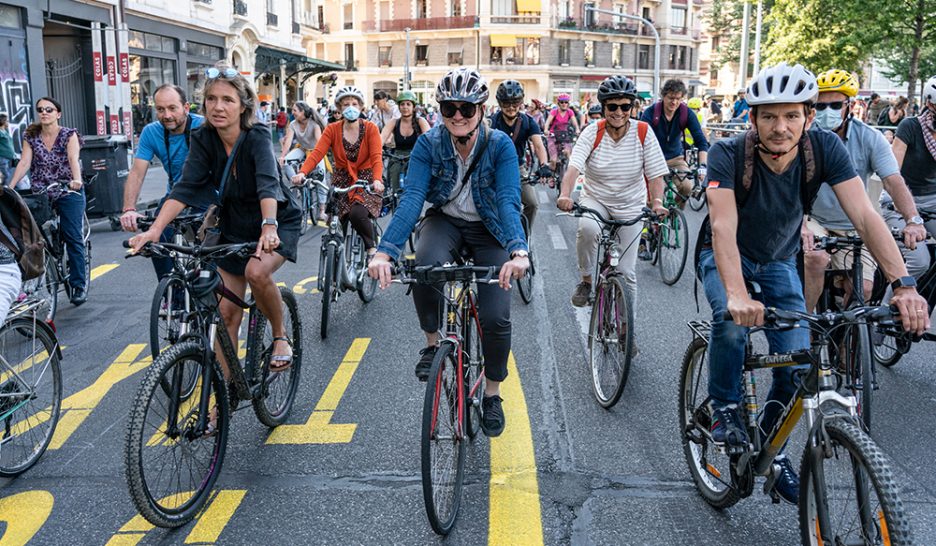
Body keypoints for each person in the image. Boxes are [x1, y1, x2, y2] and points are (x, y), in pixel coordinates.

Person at [699, 62, 928, 505]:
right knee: (730, 320)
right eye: (768, 116)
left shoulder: (823, 149)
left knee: (798, 366)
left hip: (781, 257)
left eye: (791, 115)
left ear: (807, 115)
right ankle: (724, 408)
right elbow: (722, 226)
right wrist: (736, 293)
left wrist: (902, 284)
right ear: (752, 119)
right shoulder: (728, 153)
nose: (779, 127)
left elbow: (865, 215)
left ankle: (769, 451)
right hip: (727, 255)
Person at [130, 65, 302, 411]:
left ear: (243, 105)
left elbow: (267, 183)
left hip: (276, 220)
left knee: (256, 273)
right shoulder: (204, 138)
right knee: (225, 315)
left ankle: (281, 336)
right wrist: (155, 230)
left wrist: (269, 226)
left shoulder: (256, 136)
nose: (218, 106)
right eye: (211, 99)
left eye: (227, 99)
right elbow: (186, 186)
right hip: (234, 225)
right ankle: (220, 400)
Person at [368, 68, 529, 437]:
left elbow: (507, 200)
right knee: (424, 264)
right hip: (446, 221)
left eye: (466, 108)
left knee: (496, 315)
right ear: (439, 109)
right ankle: (431, 343)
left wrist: (518, 250)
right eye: (448, 107)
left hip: (489, 229)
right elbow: (412, 199)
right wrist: (385, 251)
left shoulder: (500, 144)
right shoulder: (429, 143)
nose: (457, 115)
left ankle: (491, 394)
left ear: (481, 109)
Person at [803, 70, 926, 312]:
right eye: (821, 105)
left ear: (850, 105)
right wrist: (801, 224)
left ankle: (847, 340)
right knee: (814, 259)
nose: (828, 111)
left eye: (836, 104)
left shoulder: (870, 137)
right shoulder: (804, 138)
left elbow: (893, 180)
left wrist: (913, 220)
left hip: (855, 224)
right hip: (815, 220)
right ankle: (803, 331)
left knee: (865, 289)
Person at [556, 75, 669, 314]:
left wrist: (657, 202)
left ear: (633, 107)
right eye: (612, 106)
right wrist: (565, 194)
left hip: (631, 204)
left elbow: (655, 173)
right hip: (597, 200)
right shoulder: (591, 132)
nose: (619, 112)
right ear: (604, 107)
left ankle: (628, 333)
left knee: (627, 274)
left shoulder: (643, 132)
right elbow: (574, 167)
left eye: (625, 106)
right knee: (588, 229)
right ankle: (587, 281)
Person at [120, 84, 207, 279]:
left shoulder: (203, 126)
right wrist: (129, 208)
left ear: (185, 107)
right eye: (160, 109)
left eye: (172, 108)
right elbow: (136, 173)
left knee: (212, 249)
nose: (166, 115)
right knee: (156, 240)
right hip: (175, 194)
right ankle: (171, 295)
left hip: (208, 193)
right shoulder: (151, 132)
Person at [7, 97, 87, 305]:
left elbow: (73, 159)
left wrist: (76, 180)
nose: (44, 113)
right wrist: (10, 187)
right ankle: (33, 279)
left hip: (68, 190)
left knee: (72, 236)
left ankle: (78, 285)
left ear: (58, 114)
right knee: (32, 238)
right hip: (42, 192)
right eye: (40, 110)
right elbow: (25, 162)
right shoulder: (31, 136)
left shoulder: (69, 135)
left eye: (49, 110)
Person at [292, 86, 384, 258]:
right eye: (346, 104)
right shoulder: (332, 129)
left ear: (361, 107)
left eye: (354, 103)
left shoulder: (370, 128)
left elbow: (377, 157)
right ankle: (338, 263)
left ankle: (372, 247)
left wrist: (377, 179)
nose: (350, 107)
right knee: (338, 220)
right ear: (339, 108)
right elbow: (317, 153)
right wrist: (302, 173)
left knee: (357, 214)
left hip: (367, 179)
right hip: (341, 179)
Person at [879, 76, 936, 299]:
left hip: (932, 202)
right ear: (930, 104)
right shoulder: (910, 126)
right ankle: (883, 313)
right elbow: (892, 172)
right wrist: (908, 214)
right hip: (900, 201)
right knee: (919, 261)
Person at [490, 81, 551, 230]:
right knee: (489, 204)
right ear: (499, 103)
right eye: (506, 103)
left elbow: (538, 145)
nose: (511, 107)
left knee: (532, 204)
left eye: (515, 103)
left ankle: (524, 238)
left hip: (518, 168)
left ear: (521, 102)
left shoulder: (528, 122)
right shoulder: (491, 121)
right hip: (493, 168)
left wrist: (544, 165)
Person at [640, 79, 710, 198]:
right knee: (654, 196)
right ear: (663, 96)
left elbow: (701, 141)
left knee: (686, 188)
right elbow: (640, 138)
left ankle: (675, 213)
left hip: (675, 158)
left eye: (678, 99)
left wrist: (703, 165)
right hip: (653, 158)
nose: (674, 102)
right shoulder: (651, 112)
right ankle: (656, 214)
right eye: (671, 98)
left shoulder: (686, 113)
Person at [279, 101, 328, 222]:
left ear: (303, 112)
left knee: (322, 179)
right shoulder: (293, 124)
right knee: (286, 162)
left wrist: (315, 158)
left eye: (295, 110)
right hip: (302, 148)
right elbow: (288, 142)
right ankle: (298, 182)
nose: (292, 113)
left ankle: (321, 211)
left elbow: (319, 143)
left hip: (316, 151)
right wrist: (282, 156)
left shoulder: (314, 124)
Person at [380, 90, 431, 198]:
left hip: (416, 157)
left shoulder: (420, 121)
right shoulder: (394, 122)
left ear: (413, 106)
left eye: (408, 104)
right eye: (402, 104)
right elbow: (382, 137)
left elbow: (429, 140)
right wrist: (378, 149)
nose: (405, 107)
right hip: (397, 156)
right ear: (399, 107)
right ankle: (395, 200)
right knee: (394, 188)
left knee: (416, 190)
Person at [544, 93, 581, 173]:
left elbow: (575, 123)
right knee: (553, 160)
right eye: (562, 102)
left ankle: (569, 174)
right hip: (553, 136)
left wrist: (577, 129)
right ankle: (552, 176)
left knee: (568, 154)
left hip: (565, 136)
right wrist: (546, 130)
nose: (564, 104)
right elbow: (547, 122)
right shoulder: (554, 111)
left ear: (568, 103)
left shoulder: (570, 112)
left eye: (566, 102)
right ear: (558, 103)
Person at [0, 114, 15, 184]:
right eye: (7, 121)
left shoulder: (5, 132)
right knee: (6, 177)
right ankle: (4, 193)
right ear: (3, 122)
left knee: (9, 178)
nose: (8, 122)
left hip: (9, 160)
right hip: (3, 160)